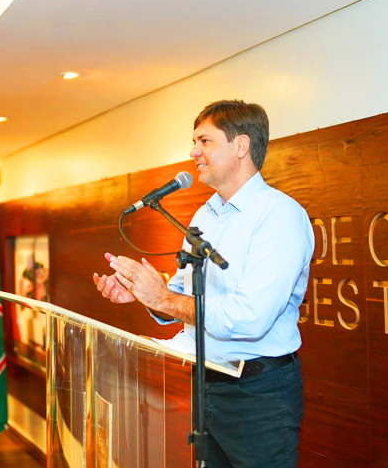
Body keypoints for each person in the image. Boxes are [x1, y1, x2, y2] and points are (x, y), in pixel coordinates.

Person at [93, 100, 314, 468]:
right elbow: (181, 295)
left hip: (258, 392)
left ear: (241, 146)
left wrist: (163, 298)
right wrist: (143, 294)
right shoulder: (205, 214)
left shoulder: (279, 215)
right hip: (208, 383)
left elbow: (250, 318)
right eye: (194, 142)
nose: (193, 152)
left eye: (204, 141)